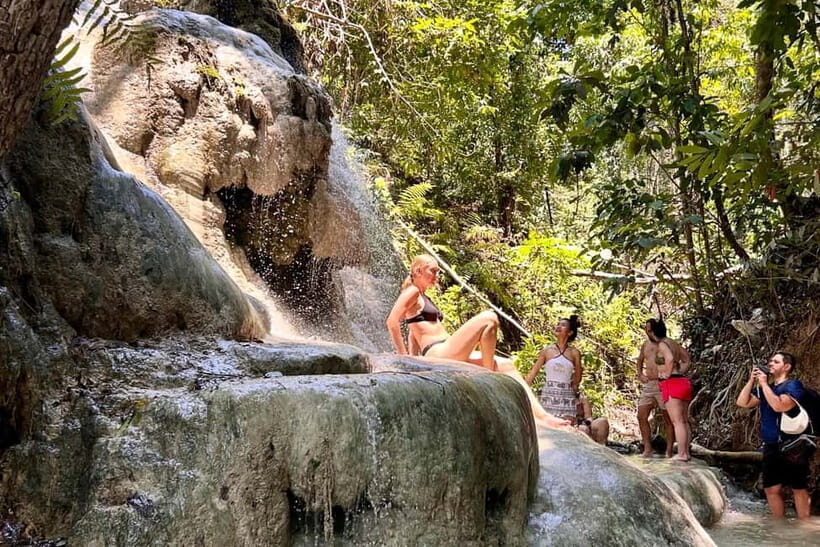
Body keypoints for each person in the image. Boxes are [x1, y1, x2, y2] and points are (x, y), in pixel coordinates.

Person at [386, 254, 499, 371]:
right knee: (489, 319)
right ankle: (488, 376)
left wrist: (414, 358)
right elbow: (392, 321)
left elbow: (414, 331)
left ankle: (492, 376)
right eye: (433, 271)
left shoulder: (422, 296)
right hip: (438, 351)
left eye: (438, 272)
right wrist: (405, 358)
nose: (437, 276)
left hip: (447, 347)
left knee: (505, 365)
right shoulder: (412, 291)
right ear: (418, 271)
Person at [736, 351, 811, 519]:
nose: (770, 364)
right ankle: (779, 526)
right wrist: (751, 380)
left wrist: (763, 384)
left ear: (786, 367)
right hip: (771, 445)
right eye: (770, 361)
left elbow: (780, 406)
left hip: (793, 444)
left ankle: (804, 527)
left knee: (798, 487)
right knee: (771, 488)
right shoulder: (766, 389)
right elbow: (742, 402)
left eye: (775, 362)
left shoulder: (793, 385)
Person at [652, 319, 693, 461]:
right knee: (684, 421)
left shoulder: (663, 344)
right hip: (683, 382)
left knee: (677, 421)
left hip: (672, 383)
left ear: (652, 332)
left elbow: (669, 359)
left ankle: (681, 454)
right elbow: (687, 359)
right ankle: (686, 452)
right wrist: (679, 371)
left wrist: (668, 374)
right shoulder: (673, 343)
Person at [636, 319, 675, 458]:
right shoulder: (645, 344)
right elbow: (640, 360)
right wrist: (640, 374)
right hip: (649, 384)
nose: (648, 332)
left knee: (668, 418)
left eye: (651, 330)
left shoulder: (666, 344)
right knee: (641, 415)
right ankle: (647, 448)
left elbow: (676, 360)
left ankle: (669, 451)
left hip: (664, 383)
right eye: (646, 330)